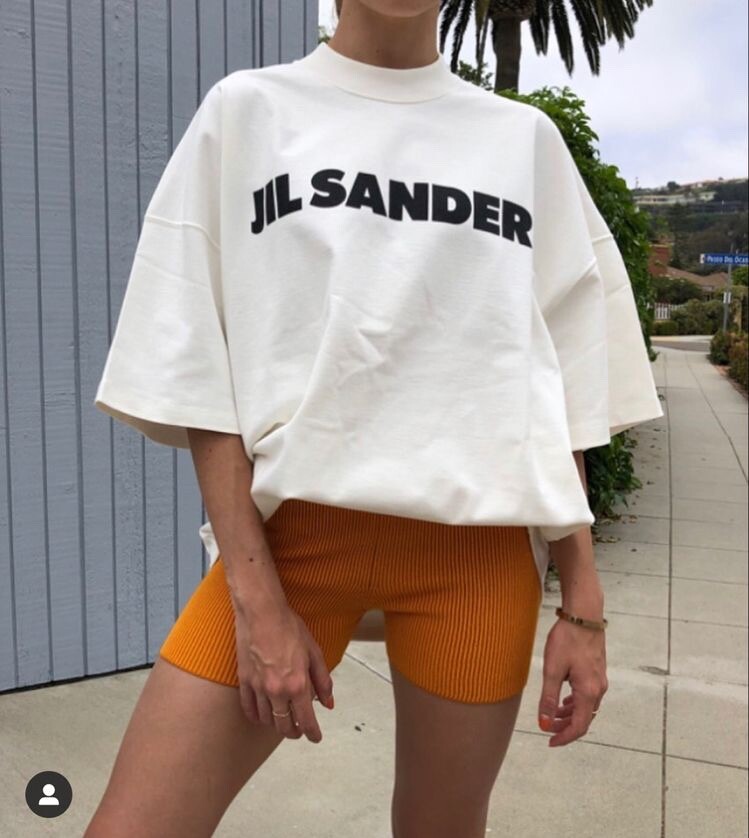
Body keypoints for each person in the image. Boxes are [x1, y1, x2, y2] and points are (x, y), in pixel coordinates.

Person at [84, 1, 663, 836]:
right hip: (290, 550)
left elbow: (558, 384)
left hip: (477, 567)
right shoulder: (246, 111)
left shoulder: (522, 140)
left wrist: (582, 603)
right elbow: (198, 371)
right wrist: (256, 602)